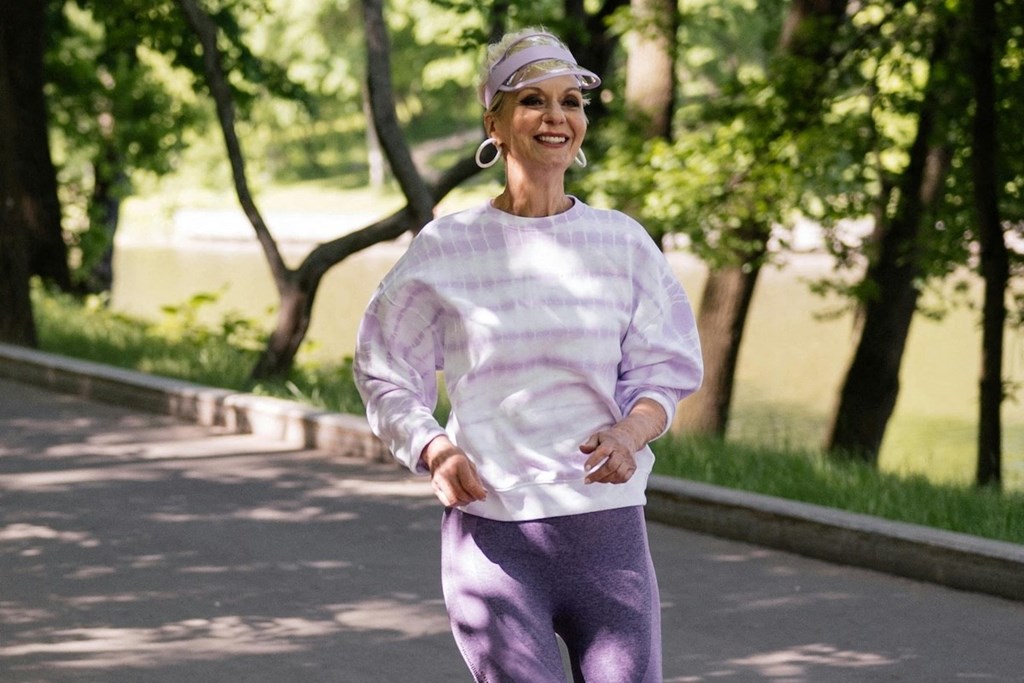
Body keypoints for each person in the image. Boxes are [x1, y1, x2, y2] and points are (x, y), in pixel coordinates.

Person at [354, 27, 703, 683]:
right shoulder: (447, 248)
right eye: (533, 101)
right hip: (495, 540)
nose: (556, 116)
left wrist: (629, 432)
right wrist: (434, 448)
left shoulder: (622, 243)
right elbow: (383, 369)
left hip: (608, 535)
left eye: (570, 101)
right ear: (495, 123)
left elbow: (665, 370)